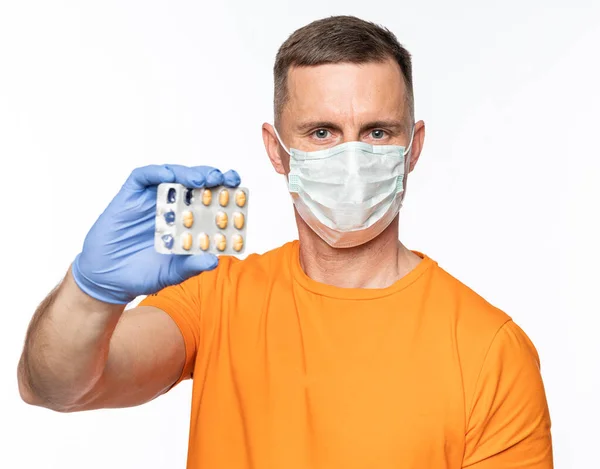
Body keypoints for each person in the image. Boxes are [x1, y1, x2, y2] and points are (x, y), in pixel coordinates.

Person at [17, 15, 553, 469]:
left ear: (413, 147)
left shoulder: (490, 351)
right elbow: (54, 386)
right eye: (321, 132)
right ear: (277, 151)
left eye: (376, 132)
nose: (351, 160)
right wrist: (91, 289)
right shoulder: (218, 300)